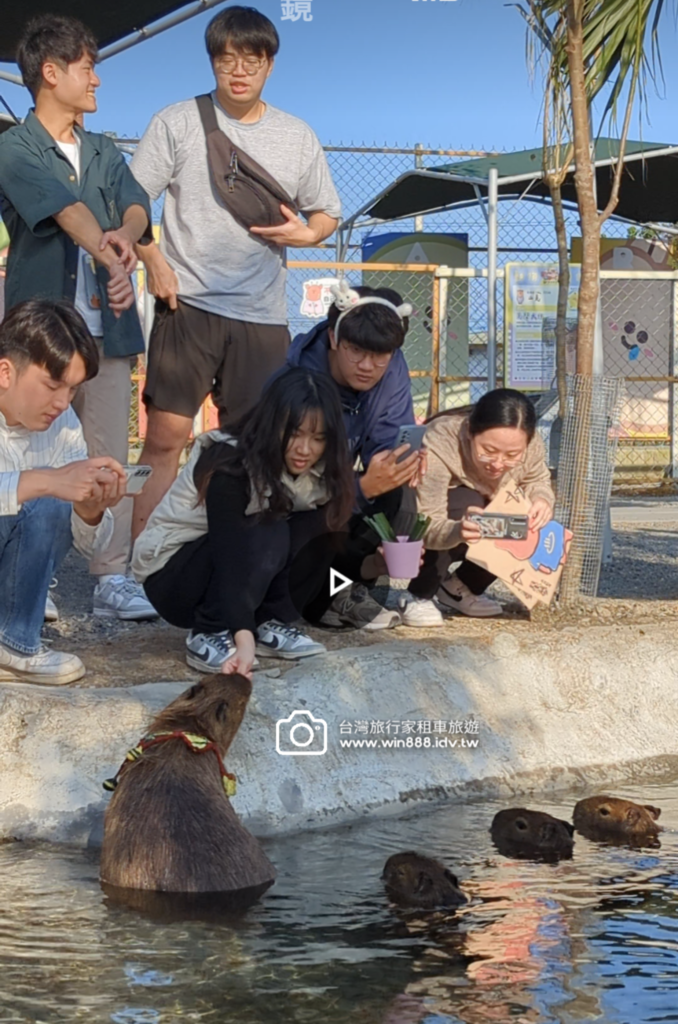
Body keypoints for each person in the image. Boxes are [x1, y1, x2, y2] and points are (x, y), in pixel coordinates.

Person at [130, 5, 341, 540]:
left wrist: (309, 234)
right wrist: (151, 256)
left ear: (270, 63)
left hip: (262, 314)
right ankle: (133, 569)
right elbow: (132, 201)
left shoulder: (297, 136)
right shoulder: (176, 122)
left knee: (256, 444)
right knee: (164, 441)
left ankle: (238, 562)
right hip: (187, 306)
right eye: (226, 59)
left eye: (251, 58)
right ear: (212, 63)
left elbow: (327, 214)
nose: (238, 70)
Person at [0, 14, 156, 622]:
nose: (96, 80)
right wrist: (114, 261)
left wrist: (126, 235)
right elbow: (64, 209)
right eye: (88, 68)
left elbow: (138, 202)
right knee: (39, 461)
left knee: (109, 457)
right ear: (51, 71)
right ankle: (36, 578)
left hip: (108, 334)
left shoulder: (102, 149)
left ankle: (110, 574)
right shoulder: (14, 146)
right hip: (44, 338)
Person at [131, 368, 354, 677]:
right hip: (173, 575)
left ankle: (269, 623)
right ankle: (208, 631)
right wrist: (241, 636)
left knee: (325, 523)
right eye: (295, 434)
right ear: (273, 424)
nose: (305, 449)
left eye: (318, 438)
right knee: (269, 530)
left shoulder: (324, 466)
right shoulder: (230, 461)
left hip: (235, 562)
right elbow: (229, 551)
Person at [0, 299, 128, 684]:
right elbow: (47, 485)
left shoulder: (64, 422)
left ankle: (13, 643)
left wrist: (90, 509)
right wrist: (46, 480)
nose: (62, 402)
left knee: (56, 500)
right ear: (5, 371)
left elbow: (84, 542)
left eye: (72, 390)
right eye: (53, 385)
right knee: (47, 489)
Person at [284, 281, 425, 630]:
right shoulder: (299, 380)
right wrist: (361, 487)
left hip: (340, 487)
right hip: (294, 501)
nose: (368, 365)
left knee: (401, 494)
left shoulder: (391, 366)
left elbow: (388, 437)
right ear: (333, 338)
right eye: (356, 351)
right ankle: (303, 600)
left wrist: (397, 462)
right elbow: (293, 481)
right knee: (326, 519)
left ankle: (341, 590)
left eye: (381, 356)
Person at [403, 388, 555, 623]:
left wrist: (542, 499)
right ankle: (419, 594)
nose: (498, 464)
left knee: (520, 515)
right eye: (488, 451)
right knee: (470, 503)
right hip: (423, 513)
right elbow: (427, 520)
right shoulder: (442, 439)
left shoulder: (530, 443)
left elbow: (537, 479)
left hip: (481, 510)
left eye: (512, 455)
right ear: (468, 433)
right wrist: (458, 530)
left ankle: (460, 587)